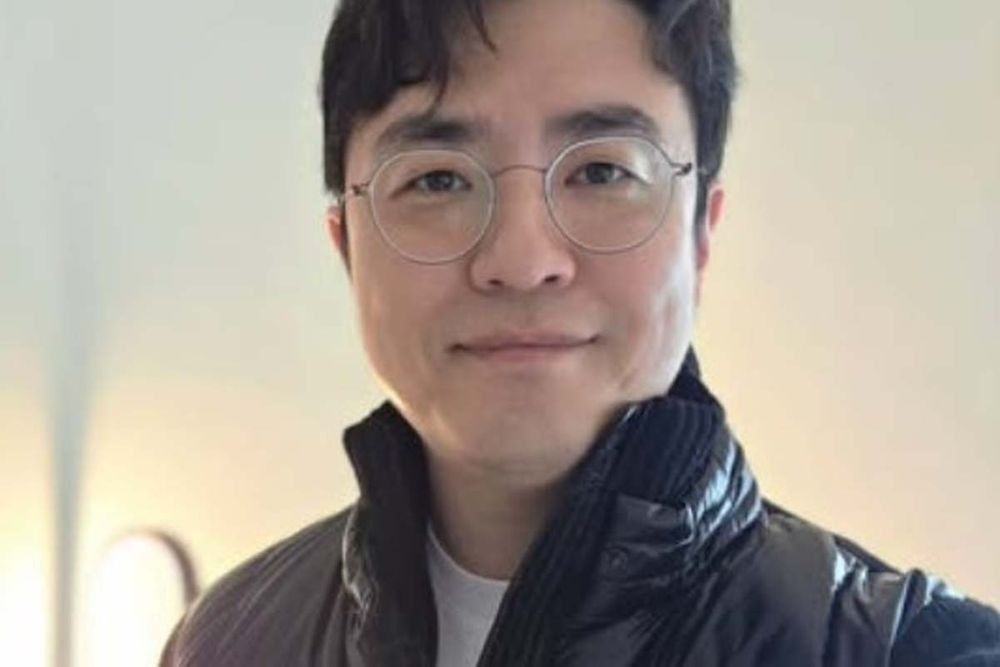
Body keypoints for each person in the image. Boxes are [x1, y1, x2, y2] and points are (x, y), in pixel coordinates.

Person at [160, 0, 1000, 664]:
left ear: (701, 233)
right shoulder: (228, 640)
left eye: (602, 171)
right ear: (347, 244)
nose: (521, 261)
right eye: (438, 179)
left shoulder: (917, 649)